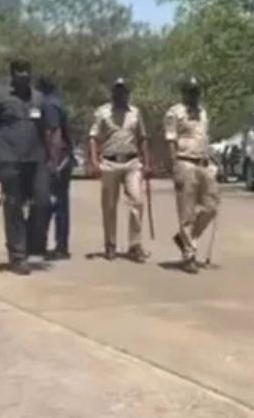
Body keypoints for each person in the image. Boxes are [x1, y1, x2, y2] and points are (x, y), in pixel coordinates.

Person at [0, 59, 58, 276]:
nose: (23, 75)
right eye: (19, 72)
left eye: (26, 71)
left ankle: (32, 244)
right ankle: (17, 256)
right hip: (9, 159)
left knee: (43, 202)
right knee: (13, 206)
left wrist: (53, 157)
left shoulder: (40, 99)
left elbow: (50, 130)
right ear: (12, 75)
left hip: (37, 160)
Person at [88, 77, 150, 262]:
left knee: (137, 201)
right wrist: (94, 161)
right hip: (109, 162)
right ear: (112, 92)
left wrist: (147, 163)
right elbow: (93, 137)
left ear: (127, 93)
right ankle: (110, 244)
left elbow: (143, 137)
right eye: (117, 90)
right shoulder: (102, 113)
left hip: (132, 162)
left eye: (123, 90)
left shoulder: (136, 113)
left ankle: (135, 245)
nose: (120, 94)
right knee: (109, 205)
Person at [163, 76, 219, 273]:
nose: (194, 95)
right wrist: (174, 166)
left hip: (203, 162)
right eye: (191, 91)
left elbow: (204, 137)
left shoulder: (203, 112)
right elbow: (170, 140)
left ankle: (185, 238)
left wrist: (213, 159)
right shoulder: (175, 113)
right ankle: (189, 254)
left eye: (197, 91)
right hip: (184, 161)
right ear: (184, 92)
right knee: (186, 212)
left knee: (211, 206)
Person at [39, 76, 75, 260]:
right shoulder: (57, 102)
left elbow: (54, 134)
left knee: (55, 203)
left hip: (58, 160)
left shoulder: (49, 105)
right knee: (59, 203)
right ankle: (60, 245)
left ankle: (59, 246)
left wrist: (52, 164)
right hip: (63, 158)